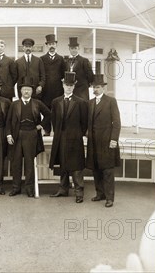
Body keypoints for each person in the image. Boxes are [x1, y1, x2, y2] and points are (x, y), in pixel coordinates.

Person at [6, 77, 51, 197]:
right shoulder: (14, 104)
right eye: (24, 89)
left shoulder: (37, 103)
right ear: (21, 91)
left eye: (29, 90)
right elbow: (8, 121)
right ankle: (16, 188)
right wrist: (9, 134)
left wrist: (40, 125)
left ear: (32, 91)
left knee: (29, 163)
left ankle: (29, 189)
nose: (26, 92)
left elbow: (49, 114)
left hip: (31, 134)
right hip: (17, 134)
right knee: (16, 162)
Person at [49, 72, 89, 203]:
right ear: (62, 85)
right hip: (60, 137)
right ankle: (63, 189)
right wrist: (59, 133)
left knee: (76, 167)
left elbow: (84, 123)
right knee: (63, 164)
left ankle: (79, 192)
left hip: (75, 137)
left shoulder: (81, 102)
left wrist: (78, 134)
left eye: (71, 85)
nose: (69, 87)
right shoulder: (56, 102)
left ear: (74, 86)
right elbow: (54, 120)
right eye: (67, 85)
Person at [86, 74, 121, 208]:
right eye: (94, 87)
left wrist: (114, 139)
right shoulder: (90, 103)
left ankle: (109, 198)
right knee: (96, 169)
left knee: (107, 171)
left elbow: (117, 122)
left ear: (103, 88)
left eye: (98, 87)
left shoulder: (111, 101)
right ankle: (100, 194)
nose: (96, 89)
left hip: (107, 141)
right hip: (93, 141)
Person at [40, 34, 67, 136]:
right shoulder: (42, 59)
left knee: (57, 111)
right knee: (46, 111)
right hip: (46, 90)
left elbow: (64, 73)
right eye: (49, 44)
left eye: (53, 44)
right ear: (47, 45)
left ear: (56, 45)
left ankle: (56, 130)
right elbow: (40, 73)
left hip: (58, 90)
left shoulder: (61, 59)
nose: (51, 46)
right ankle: (47, 130)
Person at [66, 36, 95, 101]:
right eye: (72, 48)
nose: (74, 50)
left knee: (82, 107)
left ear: (78, 48)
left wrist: (85, 85)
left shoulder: (84, 60)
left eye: (75, 48)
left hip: (82, 90)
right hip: (70, 90)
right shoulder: (67, 61)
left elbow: (90, 75)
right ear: (69, 49)